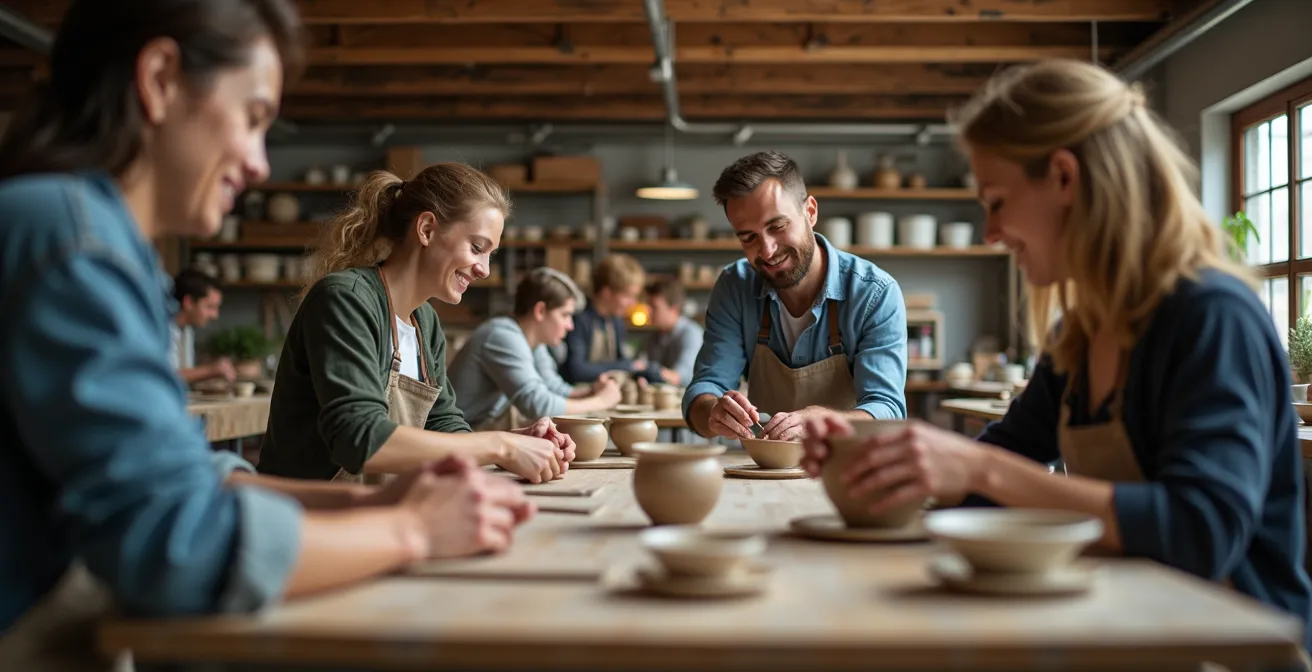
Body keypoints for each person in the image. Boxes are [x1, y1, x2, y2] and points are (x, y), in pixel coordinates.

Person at [0, 2, 532, 670]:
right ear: (161, 78)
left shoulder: (95, 238)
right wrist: (411, 528)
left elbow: (192, 479)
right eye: (253, 119)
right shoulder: (71, 239)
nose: (257, 163)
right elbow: (172, 545)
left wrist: (370, 500)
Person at [801, 59, 1312, 661]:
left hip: (1232, 650)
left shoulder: (1211, 316)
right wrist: (884, 458)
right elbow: (995, 470)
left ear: (1064, 178)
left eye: (996, 201)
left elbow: (1202, 532)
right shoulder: (1081, 335)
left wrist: (975, 468)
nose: (991, 232)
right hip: (1133, 629)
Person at [257, 163, 575, 486]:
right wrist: (501, 447)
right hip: (300, 518)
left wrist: (518, 442)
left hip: (374, 512)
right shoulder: (346, 300)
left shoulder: (425, 322)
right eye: (477, 248)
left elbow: (445, 426)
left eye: (490, 254)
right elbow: (360, 440)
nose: (485, 270)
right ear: (426, 229)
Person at [683, 151, 908, 443]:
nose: (766, 250)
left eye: (777, 226)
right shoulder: (735, 286)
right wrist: (713, 412)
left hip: (848, 468)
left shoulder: (874, 293)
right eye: (748, 237)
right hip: (761, 469)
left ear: (810, 212)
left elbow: (887, 409)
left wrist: (825, 421)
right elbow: (705, 387)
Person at [449, 267, 622, 429]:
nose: (570, 326)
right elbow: (537, 405)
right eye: (565, 315)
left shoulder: (532, 341)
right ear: (540, 311)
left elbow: (552, 387)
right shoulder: (502, 336)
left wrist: (592, 391)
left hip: (481, 430)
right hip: (458, 436)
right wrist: (601, 401)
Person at [561, 253, 660, 384]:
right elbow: (577, 370)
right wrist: (627, 366)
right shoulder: (579, 319)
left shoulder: (616, 322)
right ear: (607, 293)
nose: (632, 303)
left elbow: (622, 360)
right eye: (628, 296)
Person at [169, 268, 237, 384]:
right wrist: (211, 370)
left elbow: (183, 375)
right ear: (189, 302)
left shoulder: (187, 330)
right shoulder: (162, 330)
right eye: (210, 307)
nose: (215, 315)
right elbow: (164, 377)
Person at [642, 276, 704, 386]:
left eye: (654, 307)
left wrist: (647, 370)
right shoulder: (655, 336)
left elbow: (679, 377)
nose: (649, 312)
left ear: (674, 309)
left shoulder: (691, 334)